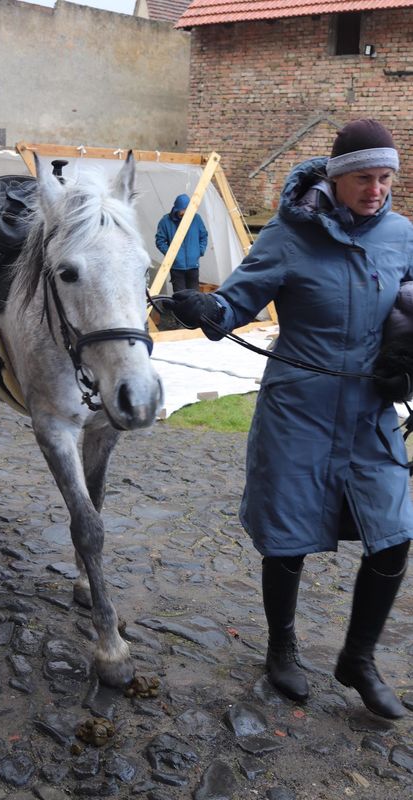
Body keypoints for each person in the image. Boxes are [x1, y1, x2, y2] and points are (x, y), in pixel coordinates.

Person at [166, 119, 413, 720]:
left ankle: (358, 658)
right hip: (299, 407)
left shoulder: (402, 234)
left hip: (369, 411)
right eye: (364, 178)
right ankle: (282, 647)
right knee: (287, 537)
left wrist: (403, 356)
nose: (376, 189)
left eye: (385, 178)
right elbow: (237, 299)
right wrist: (203, 303)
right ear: (336, 176)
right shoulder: (289, 235)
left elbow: (410, 299)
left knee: (395, 532)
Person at [155, 194, 208, 292]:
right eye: (183, 210)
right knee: (180, 296)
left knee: (194, 296)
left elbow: (203, 236)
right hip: (176, 267)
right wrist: (171, 255)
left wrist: (200, 251)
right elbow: (160, 241)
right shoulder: (165, 221)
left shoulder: (196, 219)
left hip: (193, 266)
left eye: (187, 210)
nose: (185, 212)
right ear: (176, 209)